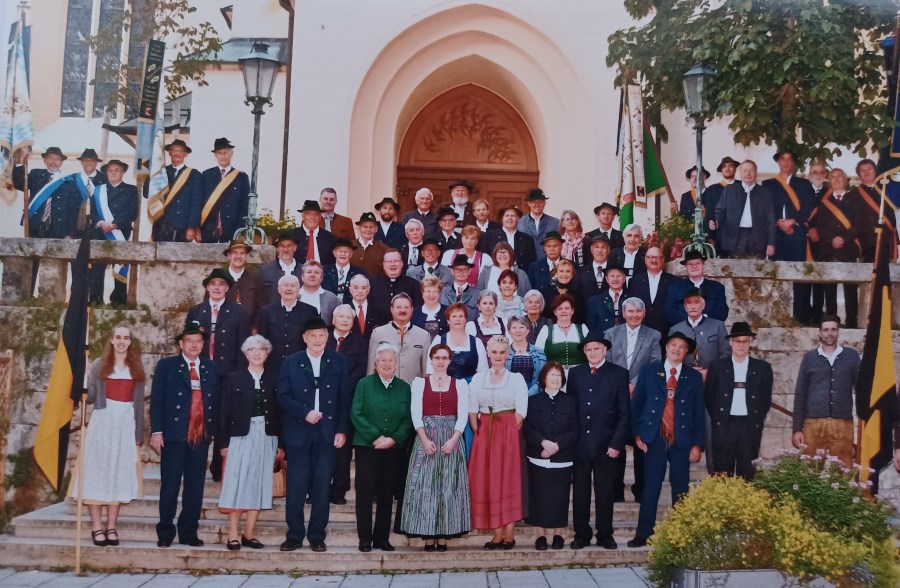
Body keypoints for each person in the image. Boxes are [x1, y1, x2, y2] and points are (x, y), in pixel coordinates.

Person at [277, 316, 349, 552]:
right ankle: (294, 535)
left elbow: (344, 398)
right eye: (313, 336)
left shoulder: (338, 360)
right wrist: (304, 412)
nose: (318, 340)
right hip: (299, 431)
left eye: (321, 336)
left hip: (327, 433)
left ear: (327, 338)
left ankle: (317, 535)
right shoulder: (292, 362)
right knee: (296, 485)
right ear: (304, 338)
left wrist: (341, 429)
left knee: (322, 486)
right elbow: (283, 396)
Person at [628, 331, 705, 547]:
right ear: (666, 347)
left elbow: (699, 412)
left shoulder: (693, 377)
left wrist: (697, 444)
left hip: (682, 438)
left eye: (682, 347)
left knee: (680, 487)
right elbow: (637, 404)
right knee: (650, 487)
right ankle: (644, 533)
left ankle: (681, 534)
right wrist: (637, 434)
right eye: (673, 345)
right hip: (654, 437)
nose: (677, 349)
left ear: (686, 352)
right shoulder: (649, 371)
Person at [74, 323, 146, 547]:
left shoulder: (136, 369)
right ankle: (97, 526)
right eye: (118, 337)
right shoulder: (99, 365)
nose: (122, 341)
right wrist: (84, 378)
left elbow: (138, 405)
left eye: (126, 338)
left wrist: (138, 433)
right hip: (103, 423)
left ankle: (111, 526)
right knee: (97, 473)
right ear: (112, 340)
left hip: (125, 425)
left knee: (118, 473)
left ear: (130, 342)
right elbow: (91, 397)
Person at [150, 321, 220, 548]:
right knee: (170, 484)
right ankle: (165, 531)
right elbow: (157, 400)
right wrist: (157, 431)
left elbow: (216, 401)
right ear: (181, 344)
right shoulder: (167, 366)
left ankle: (189, 532)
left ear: (203, 344)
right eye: (189, 341)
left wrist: (215, 431)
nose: (194, 345)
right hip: (174, 434)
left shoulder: (211, 368)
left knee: (195, 486)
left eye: (198, 341)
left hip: (200, 436)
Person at [400, 344, 471, 551]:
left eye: (444, 358)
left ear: (449, 360)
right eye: (437, 357)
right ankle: (428, 535)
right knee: (426, 487)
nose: (440, 361)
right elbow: (416, 413)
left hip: (451, 437)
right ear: (431, 359)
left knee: (449, 486)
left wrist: (455, 439)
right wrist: (423, 439)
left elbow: (463, 414)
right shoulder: (420, 383)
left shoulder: (459, 385)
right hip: (427, 436)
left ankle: (444, 535)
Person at [217, 335, 282, 550]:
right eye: (252, 349)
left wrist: (281, 444)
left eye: (261, 349)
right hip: (240, 436)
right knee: (237, 482)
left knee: (259, 482)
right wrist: (223, 443)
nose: (256, 353)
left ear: (267, 353)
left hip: (267, 436)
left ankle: (249, 532)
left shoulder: (275, 378)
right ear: (245, 354)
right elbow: (223, 412)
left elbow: (281, 413)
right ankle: (233, 533)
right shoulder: (234, 378)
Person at [186, 268, 251, 482]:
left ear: (227, 288)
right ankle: (196, 462)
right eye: (213, 284)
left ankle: (218, 466)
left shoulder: (239, 312)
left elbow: (243, 345)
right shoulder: (197, 312)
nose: (216, 287)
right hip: (202, 373)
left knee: (224, 417)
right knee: (200, 415)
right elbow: (188, 343)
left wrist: (239, 375)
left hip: (228, 373)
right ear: (207, 287)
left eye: (221, 284)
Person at [568, 334, 630, 550]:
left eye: (597, 348)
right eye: (589, 349)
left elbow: (624, 413)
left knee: (605, 492)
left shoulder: (619, 374)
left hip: (606, 445)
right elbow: (571, 409)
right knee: (580, 492)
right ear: (584, 352)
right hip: (580, 445)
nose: (593, 352)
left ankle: (605, 534)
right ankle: (581, 534)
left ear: (605, 350)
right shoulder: (576, 373)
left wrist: (616, 444)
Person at [468, 335, 529, 549]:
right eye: (494, 352)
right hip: (485, 433)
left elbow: (521, 412)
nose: (498, 356)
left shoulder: (516, 378)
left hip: (509, 432)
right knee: (489, 481)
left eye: (502, 352)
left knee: (508, 480)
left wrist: (508, 434)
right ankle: (496, 533)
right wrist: (479, 433)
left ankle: (509, 534)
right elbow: (472, 409)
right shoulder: (478, 379)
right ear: (488, 353)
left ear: (507, 354)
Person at [352, 343, 414, 552]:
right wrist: (376, 437)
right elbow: (357, 413)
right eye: (383, 360)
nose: (387, 364)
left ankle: (382, 538)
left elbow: (408, 419)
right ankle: (365, 539)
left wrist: (394, 439)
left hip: (394, 449)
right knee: (364, 493)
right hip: (367, 446)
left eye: (391, 360)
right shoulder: (364, 384)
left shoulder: (404, 387)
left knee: (387, 493)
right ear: (376, 363)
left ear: (396, 363)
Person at [603, 297, 661, 502]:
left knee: (641, 443)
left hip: (642, 397)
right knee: (616, 442)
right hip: (615, 397)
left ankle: (641, 490)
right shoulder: (610, 334)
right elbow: (606, 361)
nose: (634, 315)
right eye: (630, 311)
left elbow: (655, 363)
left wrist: (634, 384)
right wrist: (622, 385)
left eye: (638, 311)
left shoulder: (654, 335)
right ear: (623, 313)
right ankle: (615, 491)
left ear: (644, 313)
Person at [704, 322, 772, 480]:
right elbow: (709, 397)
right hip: (724, 425)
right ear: (730, 342)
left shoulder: (762, 368)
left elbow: (765, 399)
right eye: (737, 341)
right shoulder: (717, 366)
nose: (741, 345)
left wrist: (756, 419)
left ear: (750, 343)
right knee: (722, 474)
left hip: (749, 426)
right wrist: (719, 417)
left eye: (745, 341)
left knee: (747, 474)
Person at [791, 315, 860, 467]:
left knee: (843, 470)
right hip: (813, 424)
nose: (830, 333)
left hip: (842, 424)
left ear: (838, 332)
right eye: (826, 330)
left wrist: (865, 419)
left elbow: (861, 390)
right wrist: (797, 428)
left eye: (833, 329)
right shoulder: (809, 358)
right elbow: (801, 394)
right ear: (820, 333)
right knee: (810, 470)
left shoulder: (851, 356)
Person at [525, 362, 577, 551]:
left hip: (562, 457)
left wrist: (557, 446)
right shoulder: (533, 401)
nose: (555, 378)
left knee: (560, 497)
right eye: (551, 374)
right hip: (538, 455)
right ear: (544, 378)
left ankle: (558, 535)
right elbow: (528, 428)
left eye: (558, 375)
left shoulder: (570, 401)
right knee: (538, 496)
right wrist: (543, 443)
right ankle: (540, 536)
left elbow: (574, 429)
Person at [764, 149, 816, 325]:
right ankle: (778, 316)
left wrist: (793, 221)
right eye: (782, 159)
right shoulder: (768, 185)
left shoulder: (804, 184)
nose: (786, 162)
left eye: (789, 159)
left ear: (793, 162)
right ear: (778, 162)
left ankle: (800, 317)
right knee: (778, 275)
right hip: (776, 237)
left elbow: (809, 207)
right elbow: (766, 208)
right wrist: (778, 223)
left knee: (799, 276)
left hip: (797, 235)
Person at [326, 305, 370, 505]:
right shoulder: (323, 339)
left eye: (349, 318)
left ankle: (339, 490)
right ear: (333, 320)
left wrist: (341, 387)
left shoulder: (360, 343)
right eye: (341, 316)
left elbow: (361, 370)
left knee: (343, 448)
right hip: (323, 400)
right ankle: (318, 488)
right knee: (323, 448)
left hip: (348, 401)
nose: (344, 320)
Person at [807, 169, 860, 327]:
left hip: (848, 249)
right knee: (829, 289)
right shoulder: (824, 202)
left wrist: (843, 238)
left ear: (846, 180)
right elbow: (820, 226)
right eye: (833, 177)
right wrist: (832, 239)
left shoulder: (854, 200)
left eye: (839, 176)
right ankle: (831, 322)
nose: (836, 179)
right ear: (829, 181)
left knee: (850, 289)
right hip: (828, 249)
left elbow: (858, 224)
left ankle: (851, 323)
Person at [88, 158, 137, 305]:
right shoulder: (98, 190)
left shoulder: (131, 190)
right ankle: (96, 300)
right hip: (100, 231)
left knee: (120, 264)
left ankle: (118, 301)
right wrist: (101, 223)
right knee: (97, 266)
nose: (113, 173)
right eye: (110, 170)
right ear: (106, 173)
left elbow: (132, 212)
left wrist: (115, 224)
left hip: (120, 231)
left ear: (123, 172)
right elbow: (93, 211)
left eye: (117, 170)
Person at [711, 159, 776, 259]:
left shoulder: (765, 192)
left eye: (751, 171)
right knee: (735, 267)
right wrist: (716, 221)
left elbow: (770, 220)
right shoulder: (729, 190)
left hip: (758, 239)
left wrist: (771, 243)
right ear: (740, 173)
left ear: (756, 173)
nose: (748, 174)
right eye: (745, 171)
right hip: (735, 238)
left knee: (757, 267)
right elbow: (720, 211)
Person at [255, 275, 318, 375]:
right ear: (279, 289)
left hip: (301, 365)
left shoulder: (310, 311)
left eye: (293, 285)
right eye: (285, 285)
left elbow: (314, 340)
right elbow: (261, 340)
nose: (289, 288)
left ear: (298, 290)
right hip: (272, 366)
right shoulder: (266, 311)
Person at [367, 293, 431, 384]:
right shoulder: (378, 333)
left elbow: (425, 369)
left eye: (406, 307)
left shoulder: (424, 335)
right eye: (398, 307)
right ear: (392, 309)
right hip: (384, 387)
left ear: (412, 309)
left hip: (412, 387)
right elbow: (371, 367)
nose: (402, 310)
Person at [668, 287, 729, 382]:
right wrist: (685, 371)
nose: (693, 307)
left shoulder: (717, 326)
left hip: (712, 380)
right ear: (685, 307)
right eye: (689, 303)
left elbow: (726, 354)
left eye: (696, 302)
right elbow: (670, 358)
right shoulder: (675, 329)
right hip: (684, 380)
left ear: (703, 306)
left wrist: (710, 372)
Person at [147, 139, 202, 242]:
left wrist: (191, 227)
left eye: (180, 151)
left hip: (182, 226)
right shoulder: (161, 172)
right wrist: (151, 173)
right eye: (174, 150)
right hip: (161, 225)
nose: (177, 153)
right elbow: (147, 194)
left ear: (185, 154)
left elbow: (196, 203)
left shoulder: (195, 175)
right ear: (169, 153)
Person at [200, 138, 250, 243]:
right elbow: (199, 202)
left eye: (225, 152)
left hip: (232, 229)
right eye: (219, 153)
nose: (223, 156)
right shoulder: (206, 175)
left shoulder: (241, 177)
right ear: (215, 155)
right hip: (208, 229)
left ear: (231, 153)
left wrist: (240, 230)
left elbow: (245, 206)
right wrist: (197, 228)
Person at [849, 158, 899, 263]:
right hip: (865, 243)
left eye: (869, 169)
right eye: (863, 170)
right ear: (859, 174)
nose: (866, 172)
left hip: (886, 241)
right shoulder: (852, 196)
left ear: (875, 171)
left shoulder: (888, 190)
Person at [665, 250, 729, 325]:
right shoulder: (675, 287)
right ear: (686, 267)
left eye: (697, 263)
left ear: (703, 264)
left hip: (710, 329)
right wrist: (690, 321)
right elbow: (669, 312)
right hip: (683, 330)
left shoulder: (717, 288)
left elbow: (722, 312)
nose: (694, 266)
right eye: (690, 264)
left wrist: (703, 320)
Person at [54, 148, 107, 239]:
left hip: (99, 229)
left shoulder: (105, 179)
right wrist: (67, 233)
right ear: (81, 162)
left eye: (92, 160)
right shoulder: (71, 179)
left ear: (96, 163)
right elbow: (65, 207)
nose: (88, 163)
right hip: (75, 228)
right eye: (85, 160)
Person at [15, 146, 67, 238]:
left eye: (57, 159)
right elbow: (19, 184)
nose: (54, 162)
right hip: (35, 224)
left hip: (56, 227)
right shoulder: (36, 174)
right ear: (44, 160)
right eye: (50, 158)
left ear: (61, 162)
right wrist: (20, 162)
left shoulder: (66, 181)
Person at [428, 303, 487, 382]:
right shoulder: (439, 340)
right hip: (444, 386)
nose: (458, 319)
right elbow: (430, 370)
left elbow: (483, 372)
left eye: (461, 316)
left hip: (471, 387)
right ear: (448, 320)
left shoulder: (476, 342)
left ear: (465, 320)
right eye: (454, 316)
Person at [627, 246, 676, 335]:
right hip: (640, 331)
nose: (654, 260)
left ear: (663, 260)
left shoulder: (674, 281)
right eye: (650, 257)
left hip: (666, 331)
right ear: (645, 259)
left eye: (657, 257)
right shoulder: (634, 281)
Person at [535, 293, 587, 371]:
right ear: (555, 312)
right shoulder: (546, 331)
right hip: (554, 375)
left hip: (580, 374)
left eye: (567, 308)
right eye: (560, 309)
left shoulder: (583, 329)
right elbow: (538, 357)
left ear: (572, 311)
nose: (564, 311)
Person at [479, 204, 538, 270]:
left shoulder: (527, 239)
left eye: (513, 216)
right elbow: (483, 259)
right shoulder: (489, 236)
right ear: (502, 218)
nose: (510, 218)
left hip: (519, 274)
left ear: (518, 219)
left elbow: (531, 263)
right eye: (507, 215)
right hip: (495, 273)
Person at [369, 249, 424, 317]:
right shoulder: (373, 284)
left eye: (396, 261)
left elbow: (417, 311)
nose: (393, 264)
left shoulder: (414, 285)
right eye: (389, 261)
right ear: (384, 265)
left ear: (402, 263)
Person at [701, 156, 740, 249]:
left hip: (739, 237)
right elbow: (709, 214)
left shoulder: (742, 187)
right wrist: (710, 236)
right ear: (721, 170)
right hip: (719, 237)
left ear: (735, 169)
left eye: (730, 166)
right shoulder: (712, 190)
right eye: (724, 166)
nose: (727, 169)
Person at [257, 232, 303, 309]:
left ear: (295, 248)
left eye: (289, 246)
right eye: (282, 246)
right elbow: (258, 298)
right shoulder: (264, 270)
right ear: (277, 249)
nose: (286, 249)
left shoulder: (304, 271)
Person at [223, 240, 261, 326]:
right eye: (235, 253)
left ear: (246, 257)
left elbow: (260, 307)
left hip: (248, 328)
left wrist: (255, 327)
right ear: (229, 256)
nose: (238, 256)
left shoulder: (255, 279)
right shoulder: (219, 278)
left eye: (242, 253)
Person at [505, 315, 546, 392]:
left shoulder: (539, 353)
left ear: (528, 330)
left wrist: (530, 393)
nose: (518, 331)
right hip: (510, 394)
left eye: (521, 327)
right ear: (509, 331)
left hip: (534, 394)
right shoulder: (503, 353)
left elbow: (543, 377)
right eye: (514, 328)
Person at [518, 188, 560, 260]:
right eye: (534, 202)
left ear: (544, 203)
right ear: (529, 203)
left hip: (548, 262)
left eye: (540, 202)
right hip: (525, 262)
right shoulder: (520, 222)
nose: (537, 205)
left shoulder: (555, 222)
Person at [322, 238, 368, 302]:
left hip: (351, 306)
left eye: (346, 252)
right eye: (340, 251)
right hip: (328, 305)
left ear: (351, 254)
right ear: (334, 253)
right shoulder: (324, 271)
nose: (343, 254)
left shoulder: (359, 273)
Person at [586, 263, 628, 333]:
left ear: (624, 279)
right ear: (607, 279)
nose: (615, 279)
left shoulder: (632, 299)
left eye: (618, 276)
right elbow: (591, 326)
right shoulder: (595, 301)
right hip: (603, 338)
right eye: (612, 276)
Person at [292, 200, 336, 265]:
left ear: (320, 217)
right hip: (298, 271)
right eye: (309, 214)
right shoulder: (291, 236)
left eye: (316, 214)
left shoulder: (330, 238)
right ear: (303, 217)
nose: (312, 217)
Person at [539, 258, 583, 324]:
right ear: (556, 274)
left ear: (572, 275)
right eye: (561, 271)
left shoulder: (578, 296)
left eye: (568, 271)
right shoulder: (546, 293)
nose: (564, 274)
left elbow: (580, 318)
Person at [299, 260, 341, 326]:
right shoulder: (294, 296)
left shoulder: (331, 298)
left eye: (316, 272)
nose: (312, 275)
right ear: (302, 277)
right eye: (309, 272)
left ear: (321, 278)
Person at [439, 255, 482, 319]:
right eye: (457, 269)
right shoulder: (443, 291)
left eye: (464, 269)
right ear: (452, 271)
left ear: (469, 271)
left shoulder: (477, 293)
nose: (461, 272)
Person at [348, 274, 387, 340]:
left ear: (368, 290)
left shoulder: (377, 309)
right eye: (356, 288)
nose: (360, 291)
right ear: (350, 290)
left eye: (363, 288)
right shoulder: (345, 309)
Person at [351, 212, 390, 276]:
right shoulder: (349, 246)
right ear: (360, 228)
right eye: (365, 226)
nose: (368, 229)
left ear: (376, 229)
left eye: (371, 227)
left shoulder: (384, 249)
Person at [576, 234, 612, 305]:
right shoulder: (581, 272)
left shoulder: (615, 270)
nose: (600, 250)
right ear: (592, 250)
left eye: (603, 247)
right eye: (596, 247)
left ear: (608, 250)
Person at [412, 275, 449, 341]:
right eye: (428, 291)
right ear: (422, 293)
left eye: (435, 291)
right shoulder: (414, 313)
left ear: (439, 294)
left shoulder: (448, 311)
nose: (431, 295)